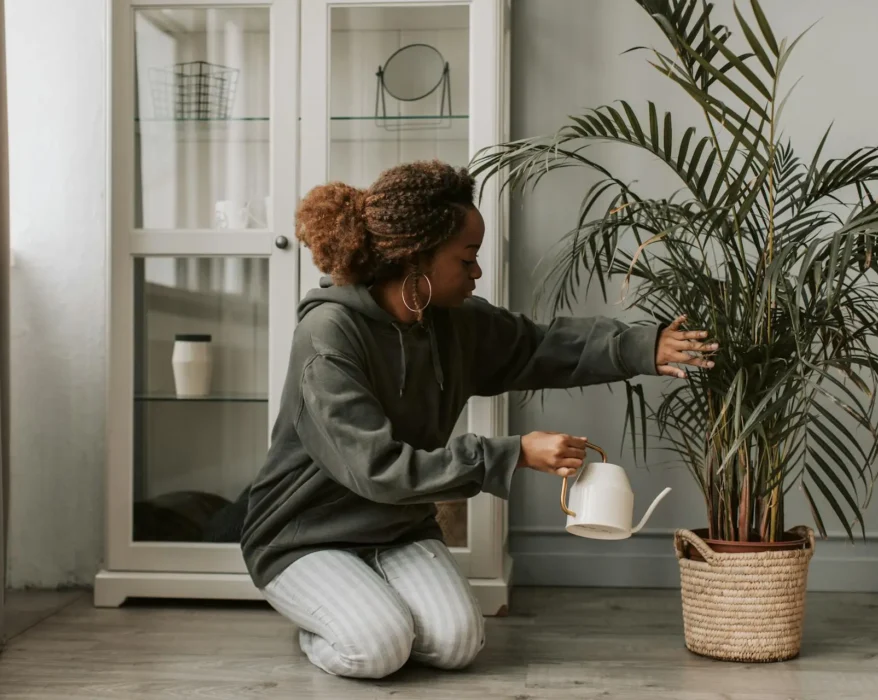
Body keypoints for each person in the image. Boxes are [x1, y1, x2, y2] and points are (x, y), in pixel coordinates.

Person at [240, 160, 716, 680]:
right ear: (417, 256)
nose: (477, 273)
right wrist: (511, 453)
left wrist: (642, 347)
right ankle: (327, 624)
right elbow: (378, 469)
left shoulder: (450, 321)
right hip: (305, 535)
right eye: (466, 259)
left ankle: (361, 607)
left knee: (458, 643)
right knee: (377, 649)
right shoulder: (328, 336)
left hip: (398, 528)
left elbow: (539, 344)